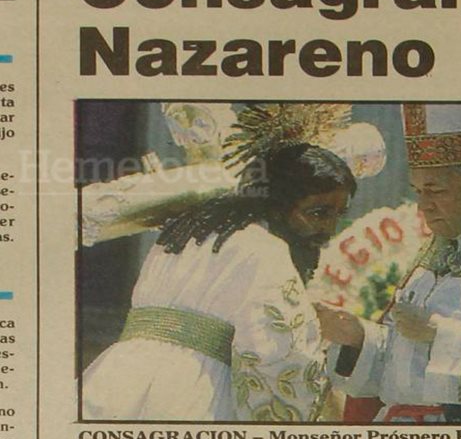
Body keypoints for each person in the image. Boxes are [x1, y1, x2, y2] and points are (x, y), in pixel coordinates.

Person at [82, 141, 357, 421]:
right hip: (193, 395)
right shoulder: (267, 251)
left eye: (338, 215)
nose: (330, 229)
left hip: (116, 380)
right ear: (279, 204)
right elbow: (280, 357)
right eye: (318, 213)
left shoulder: (184, 235)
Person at [320, 104, 461, 422]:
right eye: (417, 191)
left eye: (435, 191)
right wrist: (358, 337)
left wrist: (440, 333)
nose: (423, 206)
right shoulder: (429, 253)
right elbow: (400, 359)